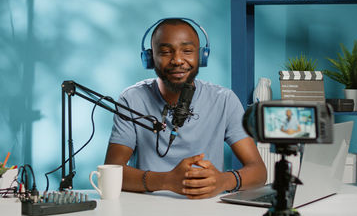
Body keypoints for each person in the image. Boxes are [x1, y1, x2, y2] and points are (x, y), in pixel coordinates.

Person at [104, 18, 266, 199]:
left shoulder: (224, 100)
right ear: (149, 58)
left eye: (187, 51)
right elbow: (112, 171)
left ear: (201, 56)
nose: (177, 60)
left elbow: (258, 171)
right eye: (165, 52)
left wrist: (223, 181)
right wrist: (167, 181)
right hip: (147, 209)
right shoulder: (132, 99)